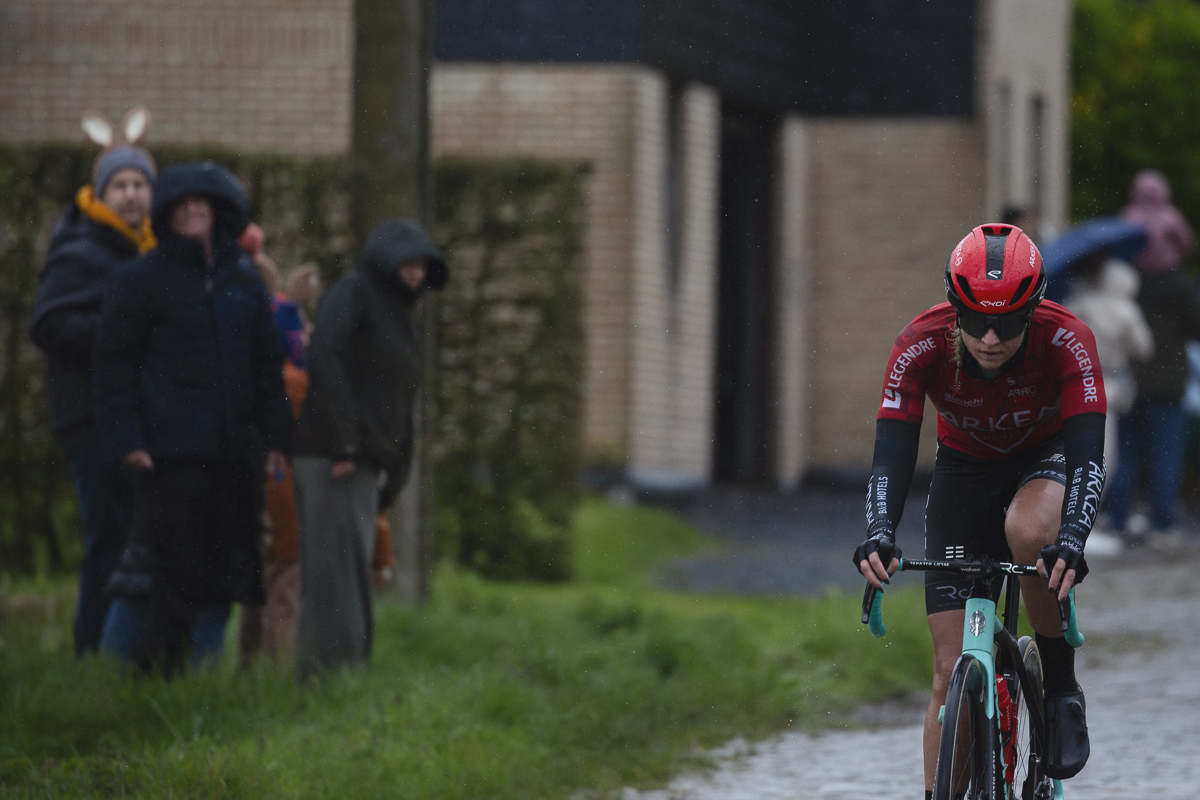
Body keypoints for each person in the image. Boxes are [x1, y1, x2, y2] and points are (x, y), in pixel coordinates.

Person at [854, 224, 1104, 796]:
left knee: (1030, 529)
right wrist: (878, 532)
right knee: (947, 673)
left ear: (1034, 311)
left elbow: (1091, 456)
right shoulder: (920, 342)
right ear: (953, 307)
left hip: (1045, 457)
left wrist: (1072, 538)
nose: (990, 338)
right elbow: (891, 454)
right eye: (975, 320)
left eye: (1010, 323)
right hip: (964, 471)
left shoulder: (1067, 340)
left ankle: (1060, 686)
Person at [93, 161, 292, 676]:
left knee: (226, 568)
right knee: (162, 569)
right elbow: (114, 365)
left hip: (232, 455)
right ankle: (125, 673)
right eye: (183, 206)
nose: (193, 213)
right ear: (168, 215)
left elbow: (267, 366)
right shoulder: (139, 280)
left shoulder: (245, 284)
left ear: (222, 213)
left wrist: (276, 437)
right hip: (169, 453)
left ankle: (197, 678)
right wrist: (127, 437)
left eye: (203, 205)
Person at [293, 217, 447, 681]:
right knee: (334, 579)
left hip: (363, 464)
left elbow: (399, 401)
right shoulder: (354, 291)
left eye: (423, 264)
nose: (416, 273)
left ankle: (346, 682)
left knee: (353, 575)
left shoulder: (401, 320)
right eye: (407, 261)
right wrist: (343, 439)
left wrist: (396, 470)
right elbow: (326, 355)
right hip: (334, 459)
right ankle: (324, 686)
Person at [29, 119, 157, 656]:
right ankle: (92, 654)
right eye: (120, 186)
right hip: (91, 420)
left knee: (132, 539)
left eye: (140, 185)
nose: (131, 195)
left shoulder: (147, 252)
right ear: (101, 194)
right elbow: (49, 325)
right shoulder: (82, 251)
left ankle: (123, 655)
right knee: (110, 540)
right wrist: (118, 332)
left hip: (133, 418)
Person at [1108, 170, 1200, 548]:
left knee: (1125, 454)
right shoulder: (1179, 284)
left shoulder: (1123, 280)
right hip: (1168, 381)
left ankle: (1120, 519)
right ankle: (1163, 525)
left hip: (1128, 380)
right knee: (1165, 456)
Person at [1063, 253, 1154, 509]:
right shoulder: (1126, 311)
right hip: (1108, 386)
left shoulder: (1078, 304)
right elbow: (1145, 349)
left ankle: (1075, 514)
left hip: (1076, 384)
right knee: (1104, 457)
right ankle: (1084, 519)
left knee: (1077, 452)